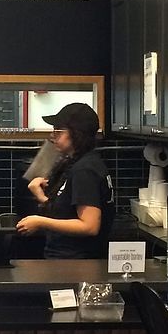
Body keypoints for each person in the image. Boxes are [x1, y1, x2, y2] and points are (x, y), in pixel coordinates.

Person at [16, 102, 115, 258]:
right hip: (67, 259)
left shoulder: (85, 170)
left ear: (77, 133)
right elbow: (66, 213)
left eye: (58, 131)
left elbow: (89, 226)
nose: (52, 136)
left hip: (77, 261)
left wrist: (40, 221)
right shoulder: (77, 164)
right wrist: (41, 196)